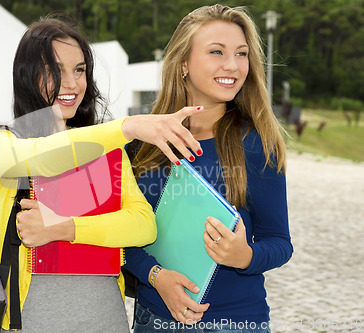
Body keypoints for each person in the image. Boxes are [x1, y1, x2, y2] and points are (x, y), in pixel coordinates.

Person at [0, 16, 204, 332]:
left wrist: (63, 227)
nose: (71, 83)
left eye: (79, 70)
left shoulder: (108, 148)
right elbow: (41, 158)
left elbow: (143, 225)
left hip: (105, 317)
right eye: (54, 70)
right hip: (31, 320)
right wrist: (127, 126)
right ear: (27, 75)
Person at [124, 4, 293, 332]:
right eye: (217, 51)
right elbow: (123, 238)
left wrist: (244, 256)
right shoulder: (141, 144)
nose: (233, 65)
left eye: (241, 54)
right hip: (153, 319)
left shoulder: (258, 144)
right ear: (183, 63)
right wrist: (155, 276)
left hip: (237, 322)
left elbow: (279, 242)